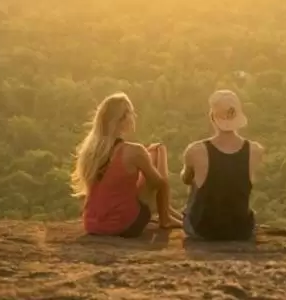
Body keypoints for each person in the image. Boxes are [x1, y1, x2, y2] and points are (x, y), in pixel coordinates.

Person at [71, 92, 183, 237]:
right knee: (158, 150)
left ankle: (168, 211)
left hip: (92, 224)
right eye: (132, 113)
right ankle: (165, 217)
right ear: (123, 119)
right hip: (124, 225)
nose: (134, 117)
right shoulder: (134, 151)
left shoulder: (90, 151)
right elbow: (158, 183)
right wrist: (158, 154)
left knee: (150, 154)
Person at [180, 89, 265, 241]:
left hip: (203, 231)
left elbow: (186, 179)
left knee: (195, 183)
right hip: (241, 230)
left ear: (212, 117)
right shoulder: (256, 150)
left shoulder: (195, 150)